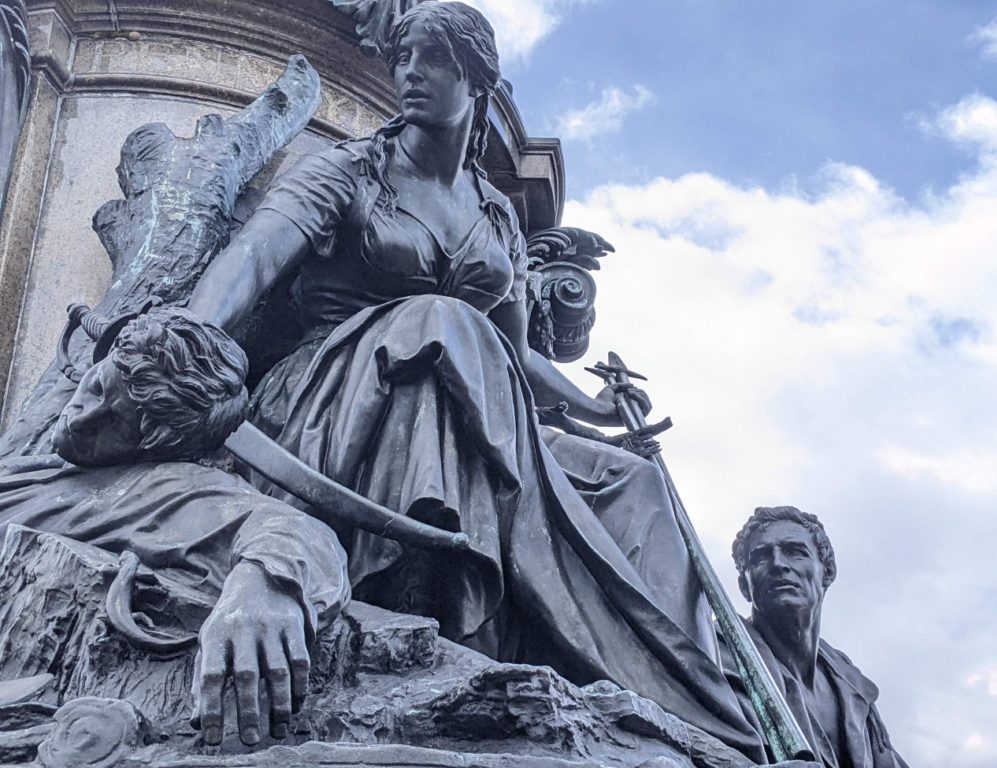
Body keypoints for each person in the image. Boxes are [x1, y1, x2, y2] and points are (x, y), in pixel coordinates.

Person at [187, 2, 765, 759]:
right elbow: (257, 256)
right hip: (330, 394)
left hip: (466, 387)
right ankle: (424, 608)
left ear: (477, 80)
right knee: (441, 324)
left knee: (629, 482)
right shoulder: (352, 168)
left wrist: (593, 410)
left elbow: (512, 359)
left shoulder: (497, 217)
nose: (409, 76)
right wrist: (191, 329)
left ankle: (682, 708)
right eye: (401, 60)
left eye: (432, 60)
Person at [0, 307, 351, 747]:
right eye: (96, 387)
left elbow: (295, 531)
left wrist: (263, 588)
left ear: (158, 447)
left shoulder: (165, 488)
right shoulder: (23, 472)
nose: (81, 419)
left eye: (116, 424)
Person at [729, 506, 909, 768]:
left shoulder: (850, 684)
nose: (778, 564)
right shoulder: (717, 655)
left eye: (795, 552)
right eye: (760, 557)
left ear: (827, 572)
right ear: (745, 586)